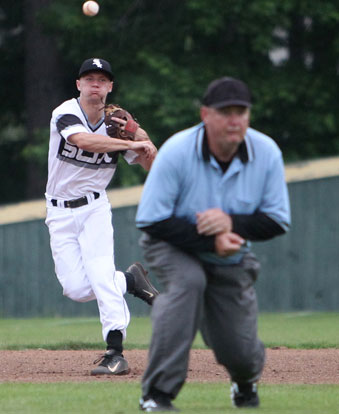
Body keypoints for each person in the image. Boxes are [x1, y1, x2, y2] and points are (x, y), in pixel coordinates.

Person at [136, 76, 291, 411]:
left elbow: (277, 219)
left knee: (241, 352)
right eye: (225, 112)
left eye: (241, 111)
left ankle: (244, 381)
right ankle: (156, 395)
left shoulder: (267, 153)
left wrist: (230, 224)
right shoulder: (177, 151)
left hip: (231, 255)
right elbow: (150, 219)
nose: (234, 119)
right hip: (171, 244)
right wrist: (211, 237)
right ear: (206, 114)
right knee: (188, 283)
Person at [45, 58, 159, 376]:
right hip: (58, 210)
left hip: (94, 208)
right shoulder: (65, 112)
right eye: (89, 78)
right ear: (78, 85)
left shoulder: (118, 124)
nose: (95, 84)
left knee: (100, 274)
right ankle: (130, 280)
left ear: (110, 87)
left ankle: (115, 352)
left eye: (102, 79)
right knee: (77, 289)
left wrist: (142, 137)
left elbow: (155, 167)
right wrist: (129, 142)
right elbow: (82, 140)